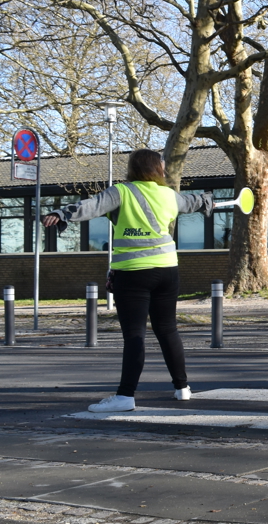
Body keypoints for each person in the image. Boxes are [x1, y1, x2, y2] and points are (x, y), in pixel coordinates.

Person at [41, 148, 214, 412]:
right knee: (168, 330)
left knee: (135, 334)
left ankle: (125, 396)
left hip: (133, 273)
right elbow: (192, 202)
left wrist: (63, 214)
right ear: (158, 169)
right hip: (167, 269)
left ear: (133, 169)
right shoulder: (169, 194)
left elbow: (90, 206)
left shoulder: (121, 192)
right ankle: (182, 388)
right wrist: (206, 200)